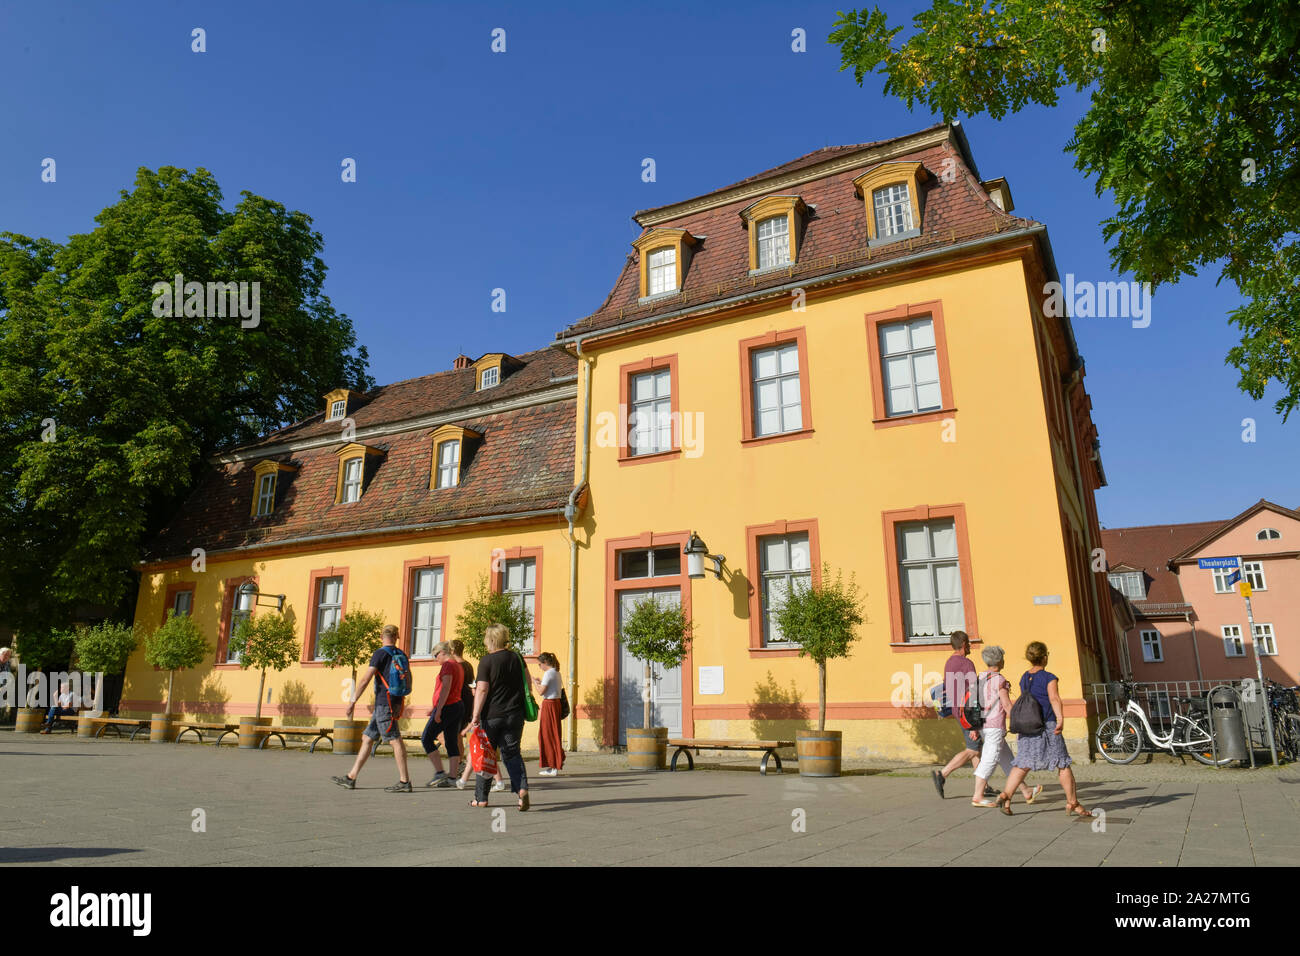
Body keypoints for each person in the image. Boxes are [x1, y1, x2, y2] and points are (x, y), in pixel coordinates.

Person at [994, 641, 1092, 818]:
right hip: (1046, 725)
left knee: (1022, 763)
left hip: (1027, 726)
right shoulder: (1049, 677)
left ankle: (1006, 795)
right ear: (1045, 657)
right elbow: (1054, 699)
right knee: (1062, 764)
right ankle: (1073, 802)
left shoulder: (1024, 677)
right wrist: (1060, 719)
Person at [332, 624, 413, 792]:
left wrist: (352, 701)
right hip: (394, 702)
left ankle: (404, 782)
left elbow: (365, 680)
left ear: (381, 636)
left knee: (395, 740)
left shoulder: (380, 653)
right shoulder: (401, 654)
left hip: (384, 703)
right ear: (396, 636)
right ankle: (351, 777)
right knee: (368, 738)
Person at [466, 623, 530, 810]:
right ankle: (521, 790)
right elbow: (527, 683)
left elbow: (482, 689)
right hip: (515, 714)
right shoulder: (517, 658)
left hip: (492, 716)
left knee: (486, 753)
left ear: (491, 640)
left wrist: (475, 715)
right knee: (512, 753)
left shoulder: (487, 661)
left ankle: (481, 798)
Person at [969, 646, 1041, 807]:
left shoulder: (980, 678)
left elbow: (974, 703)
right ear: (1000, 660)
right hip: (994, 725)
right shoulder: (1000, 680)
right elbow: (1007, 705)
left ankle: (1026, 791)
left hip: (982, 725)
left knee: (1008, 760)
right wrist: (1019, 723)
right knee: (989, 759)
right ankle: (977, 796)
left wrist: (973, 727)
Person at [931, 631, 981, 798]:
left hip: (957, 710)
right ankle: (942, 774)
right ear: (964, 644)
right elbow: (974, 692)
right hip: (967, 712)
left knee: (976, 748)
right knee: (972, 749)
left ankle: (983, 785)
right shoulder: (967, 663)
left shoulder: (949, 662)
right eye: (969, 643)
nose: (971, 646)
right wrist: (975, 722)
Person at [454, 639, 503, 793]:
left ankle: (466, 781)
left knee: (481, 754)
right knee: (477, 755)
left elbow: (477, 718)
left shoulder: (481, 700)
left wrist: (465, 729)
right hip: (483, 725)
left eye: (474, 688)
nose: (473, 690)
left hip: (482, 727)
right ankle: (463, 780)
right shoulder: (480, 697)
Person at [420, 641, 463, 787]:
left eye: (436, 655)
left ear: (443, 653)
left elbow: (446, 687)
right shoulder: (458, 665)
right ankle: (452, 778)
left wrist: (438, 710)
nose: (435, 658)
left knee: (426, 738)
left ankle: (439, 772)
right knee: (451, 741)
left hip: (447, 707)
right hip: (457, 705)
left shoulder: (448, 665)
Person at [533, 652, 565, 776]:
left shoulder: (548, 673)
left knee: (547, 734)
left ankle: (553, 766)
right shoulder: (557, 672)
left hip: (549, 705)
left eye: (540, 664)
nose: (539, 667)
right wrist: (540, 682)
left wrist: (535, 682)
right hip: (556, 704)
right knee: (553, 734)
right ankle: (553, 765)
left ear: (545, 663)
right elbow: (550, 687)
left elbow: (541, 691)